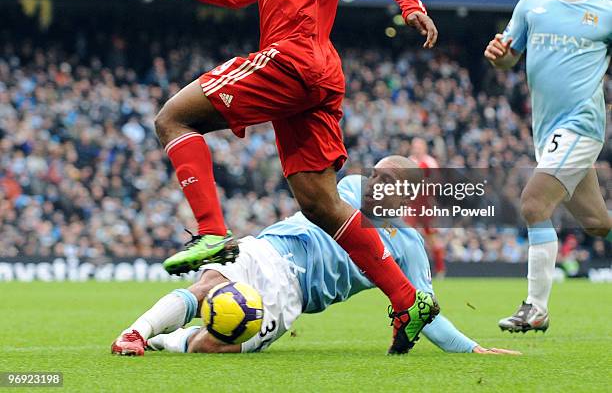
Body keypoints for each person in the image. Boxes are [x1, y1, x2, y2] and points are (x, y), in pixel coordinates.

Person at [122, 0, 438, 354]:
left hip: (294, 59)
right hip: (310, 78)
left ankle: (212, 235)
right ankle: (407, 299)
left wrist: (409, 3)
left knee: (174, 117)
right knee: (321, 205)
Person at [112, 156, 519, 357]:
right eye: (375, 174)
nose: (374, 182)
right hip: (270, 246)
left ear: (408, 195)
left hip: (292, 295)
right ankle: (135, 333)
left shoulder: (409, 247)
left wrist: (471, 350)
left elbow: (423, 312)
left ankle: (166, 340)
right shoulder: (352, 186)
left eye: (388, 181)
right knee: (206, 286)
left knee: (217, 346)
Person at [484, 0, 611, 332]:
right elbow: (509, 59)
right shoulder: (531, 6)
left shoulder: (606, 13)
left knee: (534, 203)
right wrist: (498, 58)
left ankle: (535, 308)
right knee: (596, 223)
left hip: (582, 126)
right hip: (547, 132)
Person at [408, 137, 446, 277]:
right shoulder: (409, 161)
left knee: (431, 238)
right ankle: (409, 269)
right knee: (407, 235)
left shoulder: (430, 162)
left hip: (426, 205)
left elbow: (437, 182)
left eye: (419, 146)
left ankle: (440, 269)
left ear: (424, 148)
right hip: (411, 205)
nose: (416, 149)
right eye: (414, 146)